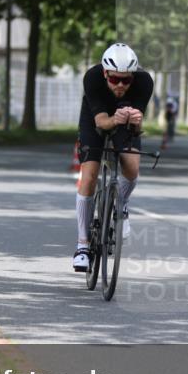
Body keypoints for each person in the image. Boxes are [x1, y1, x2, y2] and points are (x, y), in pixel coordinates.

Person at [73, 43, 154, 272]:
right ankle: (82, 245)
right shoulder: (93, 78)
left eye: (126, 80)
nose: (120, 85)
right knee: (88, 176)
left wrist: (136, 122)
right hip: (95, 119)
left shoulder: (144, 82)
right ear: (105, 73)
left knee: (131, 167)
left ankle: (122, 205)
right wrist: (116, 118)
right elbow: (101, 123)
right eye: (115, 79)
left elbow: (137, 131)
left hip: (125, 122)